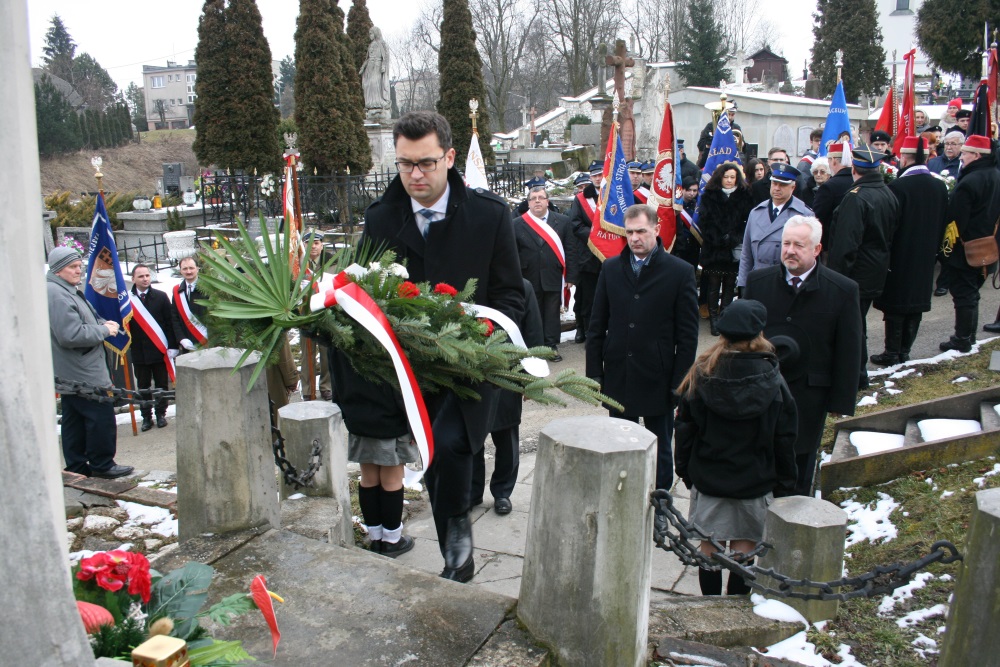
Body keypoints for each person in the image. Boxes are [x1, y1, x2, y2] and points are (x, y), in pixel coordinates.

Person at [361, 111, 524, 583]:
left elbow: (510, 294)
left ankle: (456, 545)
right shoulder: (381, 218)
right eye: (405, 164)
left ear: (450, 158)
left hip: (472, 361)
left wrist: (481, 338)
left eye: (426, 163)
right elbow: (365, 289)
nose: (415, 174)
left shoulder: (489, 215)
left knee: (451, 441)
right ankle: (455, 537)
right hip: (409, 367)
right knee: (432, 454)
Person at [674, 299, 798, 596]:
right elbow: (784, 437)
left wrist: (686, 471)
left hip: (710, 476)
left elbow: (685, 430)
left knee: (709, 550)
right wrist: (785, 483)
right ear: (759, 333)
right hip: (754, 480)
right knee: (744, 550)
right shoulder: (773, 379)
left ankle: (709, 607)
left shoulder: (701, 372)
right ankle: (735, 606)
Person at [744, 216, 862, 496]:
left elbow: (849, 349)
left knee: (799, 463)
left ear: (817, 249)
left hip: (809, 395)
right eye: (786, 244)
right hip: (761, 392)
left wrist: (841, 400)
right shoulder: (758, 282)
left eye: (799, 245)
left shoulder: (842, 290)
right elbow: (743, 338)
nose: (790, 251)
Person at [586, 204, 700, 491]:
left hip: (657, 375)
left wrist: (679, 382)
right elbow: (597, 324)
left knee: (659, 445)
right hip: (618, 372)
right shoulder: (611, 268)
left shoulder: (680, 272)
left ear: (656, 229)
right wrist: (595, 372)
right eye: (629, 232)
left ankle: (660, 498)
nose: (635, 238)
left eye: (641, 231)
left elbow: (688, 336)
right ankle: (618, 491)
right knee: (618, 442)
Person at [47, 246, 134, 479]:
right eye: (72, 267)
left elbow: (83, 320)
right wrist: (104, 330)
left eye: (79, 266)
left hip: (74, 370)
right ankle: (102, 464)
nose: (79, 271)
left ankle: (77, 465)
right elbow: (70, 335)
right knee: (100, 416)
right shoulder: (58, 294)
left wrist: (102, 324)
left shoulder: (63, 290)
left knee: (74, 420)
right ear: (58, 270)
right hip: (83, 371)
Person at [329, 345, 417, 557]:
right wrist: (412, 420)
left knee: (368, 479)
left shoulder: (338, 338)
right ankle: (392, 540)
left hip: (358, 416)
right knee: (392, 480)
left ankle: (376, 538)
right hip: (389, 418)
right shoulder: (380, 334)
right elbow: (398, 381)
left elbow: (335, 375)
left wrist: (345, 408)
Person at [826, 145, 900, 388]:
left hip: (856, 272)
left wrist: (836, 279)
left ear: (854, 169)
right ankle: (856, 374)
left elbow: (846, 245)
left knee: (852, 326)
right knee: (857, 323)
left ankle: (856, 375)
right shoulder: (886, 193)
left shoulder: (857, 197)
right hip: (875, 269)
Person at [871, 136, 949, 365]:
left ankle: (892, 352)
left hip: (900, 256)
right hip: (926, 255)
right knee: (915, 304)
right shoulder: (939, 186)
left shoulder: (898, 187)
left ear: (904, 157)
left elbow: (889, 225)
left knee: (896, 305)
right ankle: (905, 351)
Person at [472, 278, 543, 516]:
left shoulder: (522, 286)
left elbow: (533, 331)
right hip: (471, 372)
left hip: (508, 372)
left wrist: (531, 379)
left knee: (506, 435)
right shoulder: (470, 281)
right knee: (471, 436)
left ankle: (502, 492)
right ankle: (471, 492)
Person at [938, 135, 1000, 351]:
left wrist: (945, 250)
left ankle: (962, 338)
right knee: (972, 293)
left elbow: (955, 221)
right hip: (989, 246)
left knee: (964, 295)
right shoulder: (996, 175)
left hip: (966, 249)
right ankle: (968, 336)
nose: (961, 157)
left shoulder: (970, 182)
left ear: (976, 155)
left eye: (965, 153)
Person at [515, 186, 576, 361]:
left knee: (552, 312)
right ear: (528, 203)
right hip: (528, 276)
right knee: (532, 313)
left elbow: (571, 249)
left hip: (554, 274)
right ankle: (534, 346)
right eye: (533, 198)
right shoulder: (517, 224)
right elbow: (512, 253)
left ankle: (550, 346)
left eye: (541, 197)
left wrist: (571, 276)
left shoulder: (562, 221)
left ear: (547, 201)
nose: (537, 201)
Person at [698, 163, 754, 335]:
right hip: (714, 247)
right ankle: (714, 319)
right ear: (719, 178)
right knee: (714, 285)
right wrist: (717, 238)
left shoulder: (744, 195)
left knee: (730, 284)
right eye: (726, 177)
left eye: (732, 177)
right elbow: (704, 221)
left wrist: (734, 237)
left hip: (733, 248)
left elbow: (747, 221)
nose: (729, 180)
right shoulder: (709, 195)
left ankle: (724, 317)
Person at [737, 163, 813, 289]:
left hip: (786, 282)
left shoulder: (804, 215)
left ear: (793, 187)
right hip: (758, 280)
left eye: (782, 185)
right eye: (774, 183)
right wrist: (743, 284)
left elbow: (809, 255)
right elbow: (746, 253)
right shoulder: (756, 212)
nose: (777, 188)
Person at [128, 264, 176, 431]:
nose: (145, 279)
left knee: (161, 385)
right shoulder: (127, 300)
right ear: (133, 279)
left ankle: (161, 414)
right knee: (143, 387)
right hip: (139, 352)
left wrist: (172, 346)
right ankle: (146, 417)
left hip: (159, 350)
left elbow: (169, 323)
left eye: (147, 275)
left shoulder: (161, 297)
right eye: (141, 276)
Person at [568, 161, 604, 343]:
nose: (598, 178)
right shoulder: (581, 199)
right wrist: (596, 236)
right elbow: (575, 224)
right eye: (595, 175)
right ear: (591, 177)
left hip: (609, 255)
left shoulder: (614, 194)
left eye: (601, 174)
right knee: (588, 297)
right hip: (588, 256)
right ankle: (587, 330)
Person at [301, 231, 332, 400]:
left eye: (316, 243)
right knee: (307, 352)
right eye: (309, 243)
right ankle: (308, 389)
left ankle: (326, 387)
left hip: (325, 312)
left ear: (322, 245)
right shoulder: (298, 264)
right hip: (305, 313)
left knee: (326, 352)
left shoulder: (331, 262)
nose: (313, 246)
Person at [810, 142, 854, 250]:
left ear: (833, 160)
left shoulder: (828, 187)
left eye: (829, 160)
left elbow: (816, 218)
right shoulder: (859, 182)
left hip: (832, 245)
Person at [171, 255, 208, 354]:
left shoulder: (208, 288)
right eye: (185, 269)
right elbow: (174, 318)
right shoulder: (177, 290)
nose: (188, 271)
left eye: (191, 268)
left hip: (207, 342)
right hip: (187, 344)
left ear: (197, 269)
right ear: (180, 271)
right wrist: (181, 338)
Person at [359, 26, 391, 113]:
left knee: (375, 84)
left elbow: (385, 57)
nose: (370, 36)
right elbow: (368, 58)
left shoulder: (382, 43)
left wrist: (383, 66)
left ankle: (378, 102)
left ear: (375, 33)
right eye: (369, 34)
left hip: (377, 67)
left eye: (371, 34)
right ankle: (370, 103)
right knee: (368, 85)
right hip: (369, 68)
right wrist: (363, 67)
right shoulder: (371, 45)